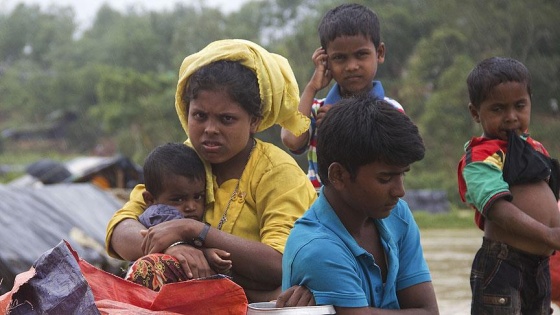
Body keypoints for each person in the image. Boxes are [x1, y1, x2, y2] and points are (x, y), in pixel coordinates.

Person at [105, 39, 317, 303]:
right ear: (187, 112)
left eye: (226, 119)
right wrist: (176, 249)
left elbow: (280, 264)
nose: (210, 129)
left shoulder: (278, 173)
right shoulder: (179, 159)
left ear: (255, 121)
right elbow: (119, 231)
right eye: (200, 116)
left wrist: (195, 231)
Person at [281, 96, 439, 314]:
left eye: (402, 175)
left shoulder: (397, 215)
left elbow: (429, 311)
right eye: (385, 179)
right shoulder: (317, 248)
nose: (399, 191)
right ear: (338, 175)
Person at [457, 57, 560, 314]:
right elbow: (496, 207)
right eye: (498, 109)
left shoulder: (535, 149)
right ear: (475, 112)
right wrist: (548, 235)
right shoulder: (482, 156)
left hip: (541, 265)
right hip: (503, 265)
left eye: (520, 106)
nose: (511, 117)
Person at [280, 3, 404, 189]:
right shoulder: (316, 109)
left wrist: (341, 122)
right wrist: (313, 86)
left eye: (361, 54)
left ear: (379, 53)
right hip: (319, 210)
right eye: (340, 58)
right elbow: (292, 140)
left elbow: (392, 159)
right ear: (326, 60)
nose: (351, 66)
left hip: (371, 211)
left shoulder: (390, 109)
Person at [125, 143, 232, 289]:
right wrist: (205, 253)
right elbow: (180, 249)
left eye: (198, 196)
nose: (191, 206)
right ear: (150, 200)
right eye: (178, 199)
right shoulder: (160, 215)